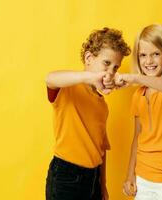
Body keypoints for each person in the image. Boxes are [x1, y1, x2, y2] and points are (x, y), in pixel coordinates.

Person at [45, 27, 131, 200]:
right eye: (106, 63)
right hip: (67, 176)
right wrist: (88, 77)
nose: (110, 72)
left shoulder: (102, 106)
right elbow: (50, 79)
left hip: (93, 178)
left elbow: (101, 149)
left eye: (115, 68)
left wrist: (102, 184)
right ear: (89, 58)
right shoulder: (68, 89)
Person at [117, 24, 162, 200]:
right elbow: (137, 136)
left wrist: (136, 78)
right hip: (144, 178)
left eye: (155, 54)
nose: (148, 61)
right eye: (143, 55)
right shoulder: (138, 94)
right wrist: (130, 175)